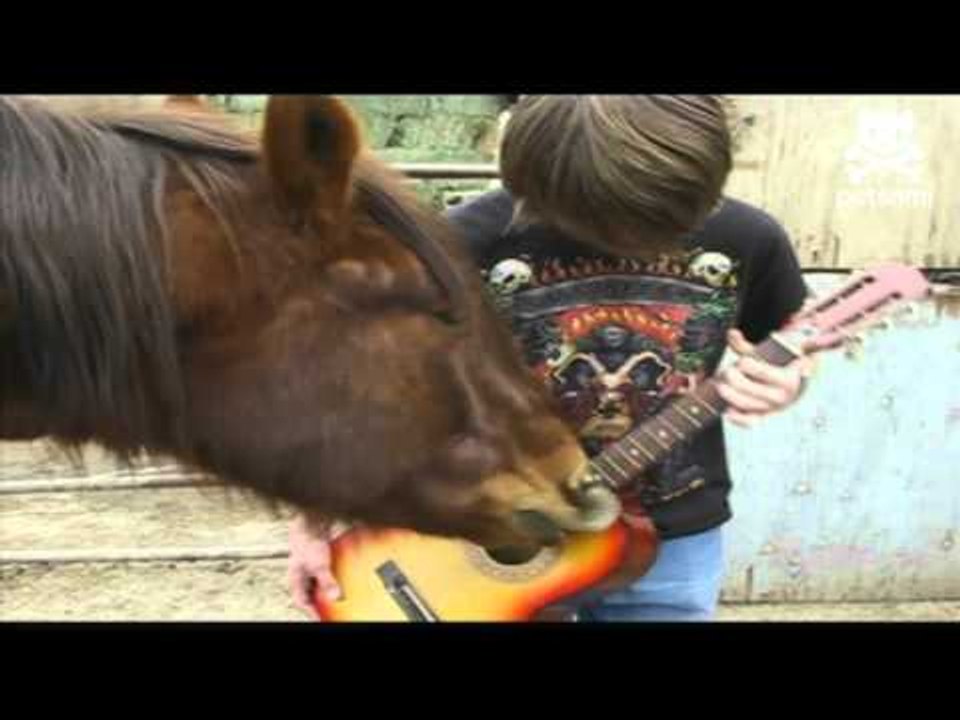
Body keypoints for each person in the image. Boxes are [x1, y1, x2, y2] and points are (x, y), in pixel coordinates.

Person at [286, 95, 814, 621]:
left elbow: (787, 347)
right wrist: (311, 528)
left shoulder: (750, 238)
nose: (625, 242)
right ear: (531, 180)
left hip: (670, 539)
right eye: (601, 223)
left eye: (651, 226)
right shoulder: (455, 241)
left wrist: (787, 382)